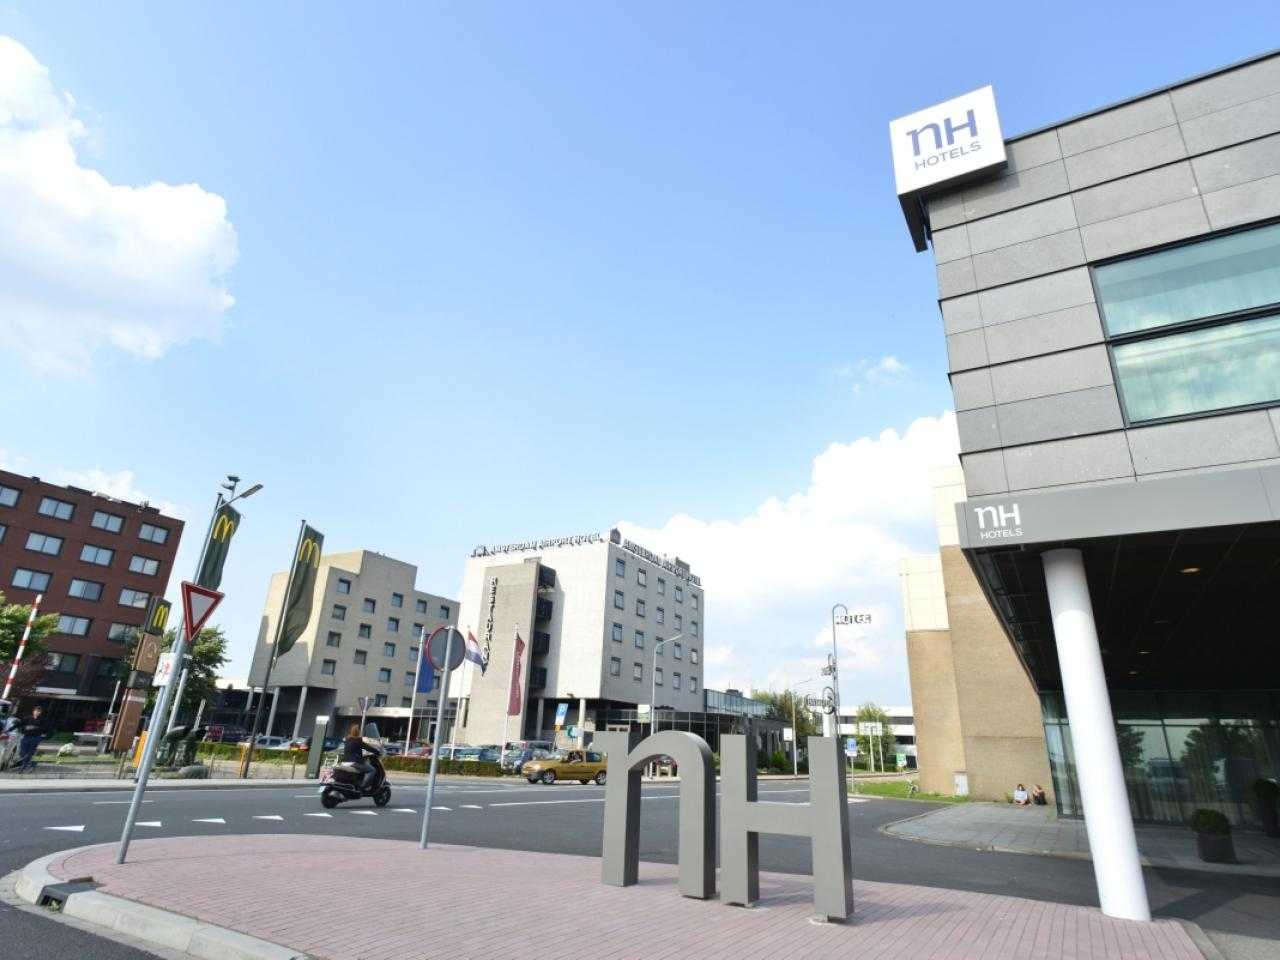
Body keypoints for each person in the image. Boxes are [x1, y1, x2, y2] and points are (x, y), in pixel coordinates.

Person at [342, 723, 377, 792]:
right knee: (372, 770)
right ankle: (363, 786)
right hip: (355, 762)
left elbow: (353, 749)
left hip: (345, 761)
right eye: (359, 730)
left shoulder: (347, 739)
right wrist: (377, 752)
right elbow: (368, 747)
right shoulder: (358, 740)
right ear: (357, 732)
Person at [16, 706, 47, 772]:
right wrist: (24, 728)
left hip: (35, 738)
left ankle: (24, 766)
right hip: (26, 737)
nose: (37, 712)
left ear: (40, 713)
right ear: (33, 711)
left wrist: (35, 727)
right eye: (36, 711)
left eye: (39, 711)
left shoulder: (42, 720)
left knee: (30, 752)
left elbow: (45, 729)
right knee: (22, 752)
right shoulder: (27, 718)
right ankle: (33, 762)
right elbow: (20, 725)